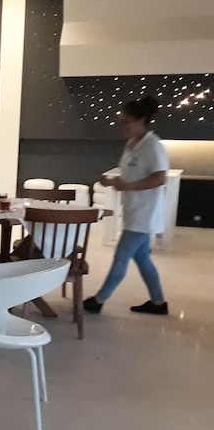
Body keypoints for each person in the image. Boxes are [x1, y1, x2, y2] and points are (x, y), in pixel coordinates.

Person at [83, 96, 169, 315]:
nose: (122, 126)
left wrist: (128, 187)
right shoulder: (131, 144)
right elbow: (130, 175)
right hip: (133, 212)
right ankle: (158, 302)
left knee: (121, 257)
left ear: (141, 121)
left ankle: (99, 300)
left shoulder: (152, 146)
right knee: (143, 259)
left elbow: (160, 178)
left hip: (145, 215)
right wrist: (113, 182)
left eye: (126, 122)